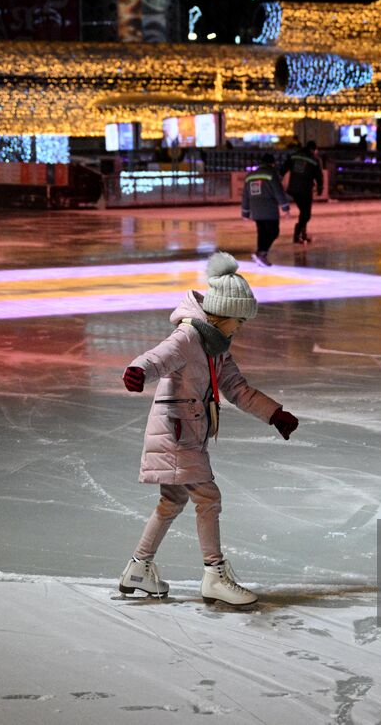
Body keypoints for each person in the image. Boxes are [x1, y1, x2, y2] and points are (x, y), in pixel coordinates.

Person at [119, 252, 300, 606]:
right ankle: (214, 574)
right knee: (208, 497)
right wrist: (138, 370)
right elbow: (159, 356)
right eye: (239, 321)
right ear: (223, 315)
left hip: (187, 430)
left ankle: (138, 568)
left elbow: (237, 389)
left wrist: (274, 413)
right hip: (177, 433)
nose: (241, 328)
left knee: (172, 501)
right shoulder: (188, 337)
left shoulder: (217, 347)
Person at [242, 153, 291, 266]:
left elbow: (245, 195)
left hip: (256, 209)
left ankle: (260, 255)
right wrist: (285, 208)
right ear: (272, 163)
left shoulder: (250, 176)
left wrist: (245, 212)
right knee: (274, 231)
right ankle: (261, 253)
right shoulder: (271, 174)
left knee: (262, 232)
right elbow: (278, 192)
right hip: (269, 209)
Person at [285, 141, 325, 244]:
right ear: (313, 149)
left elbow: (283, 169)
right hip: (305, 190)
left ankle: (302, 234)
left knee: (303, 212)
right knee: (306, 214)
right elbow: (319, 176)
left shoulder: (294, 156)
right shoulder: (314, 160)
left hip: (293, 189)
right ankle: (298, 233)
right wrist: (320, 188)